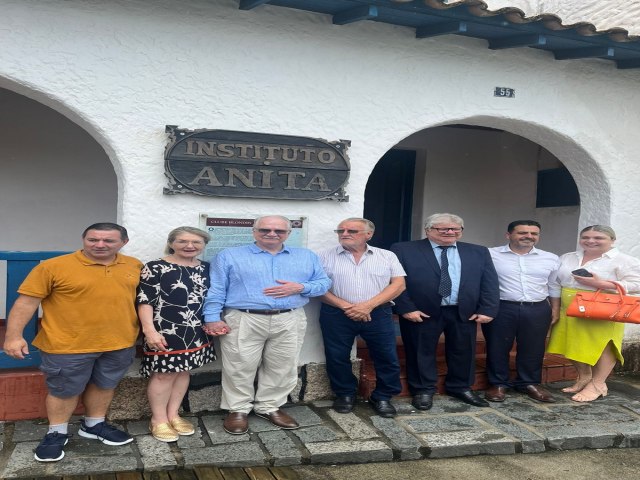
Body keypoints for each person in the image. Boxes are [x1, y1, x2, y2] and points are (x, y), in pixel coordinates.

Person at [2, 223, 142, 462]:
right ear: (83, 239)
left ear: (123, 243)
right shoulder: (54, 267)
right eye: (93, 239)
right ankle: (56, 433)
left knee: (105, 384)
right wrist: (13, 336)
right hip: (67, 344)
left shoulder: (134, 265)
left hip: (119, 342)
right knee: (64, 390)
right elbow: (26, 302)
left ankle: (93, 425)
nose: (99, 244)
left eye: (108, 240)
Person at [203, 215, 331, 435]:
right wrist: (212, 317)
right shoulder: (229, 256)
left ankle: (269, 406)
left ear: (288, 234)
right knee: (239, 364)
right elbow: (216, 289)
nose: (272, 234)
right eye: (265, 230)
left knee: (283, 364)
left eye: (279, 231)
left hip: (289, 318)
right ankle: (238, 410)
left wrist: (299, 287)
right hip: (244, 317)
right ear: (254, 231)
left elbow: (323, 283)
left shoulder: (306, 256)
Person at [391, 213, 499, 409]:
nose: (450, 232)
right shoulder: (404, 250)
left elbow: (489, 282)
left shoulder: (478, 251)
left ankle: (461, 387)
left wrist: (488, 308)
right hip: (421, 312)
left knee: (464, 351)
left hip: (463, 311)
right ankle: (423, 389)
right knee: (419, 351)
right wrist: (406, 308)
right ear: (428, 230)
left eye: (455, 229)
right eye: (443, 229)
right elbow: (394, 281)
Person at [318, 218, 406, 418]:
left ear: (369, 234)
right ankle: (345, 394)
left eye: (352, 231)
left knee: (386, 356)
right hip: (337, 313)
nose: (344, 233)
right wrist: (346, 306)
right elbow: (317, 287)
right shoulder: (323, 256)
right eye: (341, 230)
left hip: (378, 313)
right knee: (337, 356)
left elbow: (399, 285)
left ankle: (383, 396)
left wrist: (367, 306)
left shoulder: (386, 256)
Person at [137, 226, 218, 442]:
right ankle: (158, 419)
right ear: (171, 243)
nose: (189, 246)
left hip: (195, 330)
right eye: (182, 241)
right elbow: (145, 300)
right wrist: (149, 331)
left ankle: (173, 415)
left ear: (203, 246)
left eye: (196, 242)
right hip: (165, 329)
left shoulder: (207, 268)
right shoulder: (155, 267)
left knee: (183, 371)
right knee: (164, 374)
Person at [547, 225, 640, 402]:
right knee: (570, 343)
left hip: (604, 306)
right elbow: (555, 282)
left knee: (604, 345)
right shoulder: (568, 257)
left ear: (612, 240)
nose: (590, 241)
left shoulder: (624, 260)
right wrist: (555, 307)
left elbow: (637, 284)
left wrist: (604, 284)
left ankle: (598, 384)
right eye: (586, 237)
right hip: (569, 305)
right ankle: (584, 377)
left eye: (598, 237)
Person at [483, 220, 560, 403]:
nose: (529, 236)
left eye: (534, 233)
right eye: (522, 232)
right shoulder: (490, 255)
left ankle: (529, 383)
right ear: (508, 235)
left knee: (533, 347)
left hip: (537, 308)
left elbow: (553, 286)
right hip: (502, 307)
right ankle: (498, 383)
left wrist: (555, 309)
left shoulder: (550, 258)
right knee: (497, 346)